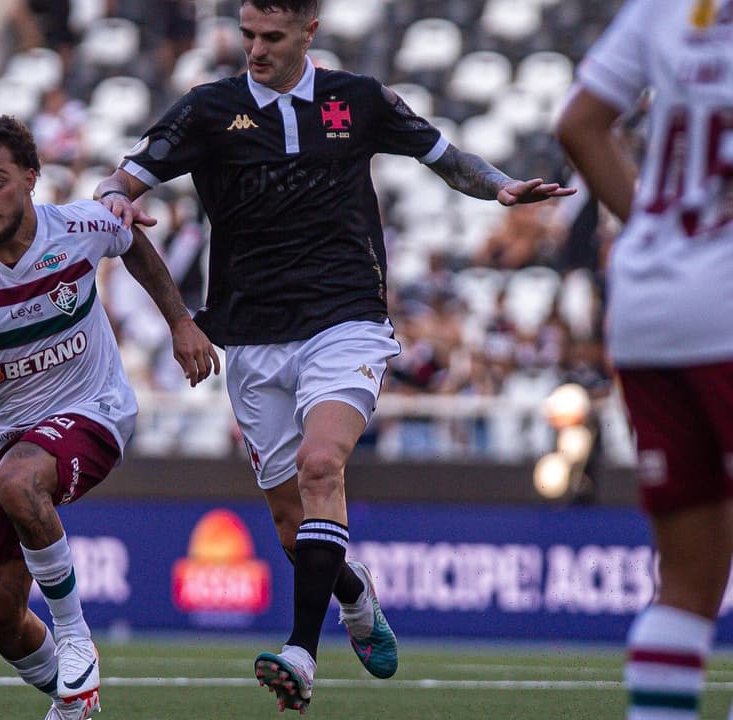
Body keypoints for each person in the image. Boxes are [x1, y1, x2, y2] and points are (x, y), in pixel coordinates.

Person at [93, 0, 574, 712]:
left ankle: (301, 654)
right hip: (253, 338)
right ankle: (351, 589)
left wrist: (500, 187)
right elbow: (121, 180)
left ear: (308, 33)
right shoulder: (208, 110)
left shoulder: (359, 99)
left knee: (323, 465)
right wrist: (116, 201)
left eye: (272, 37)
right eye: (248, 35)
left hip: (344, 319)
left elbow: (446, 158)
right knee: (295, 529)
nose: (255, 50)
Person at [0, 114, 217, 720]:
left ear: (31, 178)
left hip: (94, 409)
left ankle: (76, 635)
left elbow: (131, 241)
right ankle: (74, 702)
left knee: (18, 481)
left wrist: (181, 321)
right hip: (6, 433)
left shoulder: (80, 226)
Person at [556, 2, 733, 717]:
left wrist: (659, 231)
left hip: (651, 301)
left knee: (688, 585)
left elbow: (578, 124)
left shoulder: (667, 6)